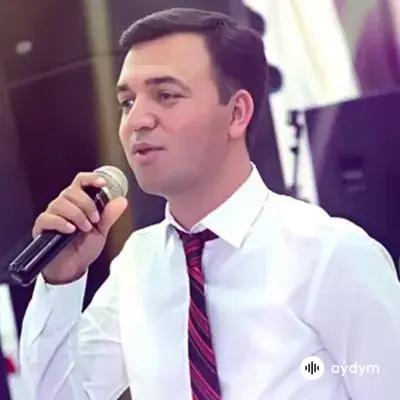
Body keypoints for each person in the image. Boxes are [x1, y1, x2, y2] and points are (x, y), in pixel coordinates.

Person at [19, 7, 400, 400]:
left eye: (165, 95)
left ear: (237, 113)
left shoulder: (331, 256)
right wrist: (61, 283)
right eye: (128, 102)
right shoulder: (137, 264)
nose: (137, 121)